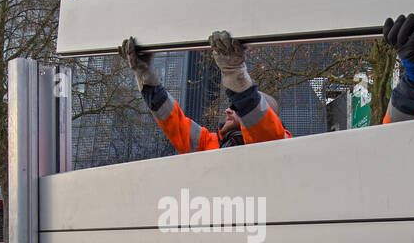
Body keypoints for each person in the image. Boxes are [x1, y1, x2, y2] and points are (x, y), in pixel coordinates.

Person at [120, 31, 291, 153]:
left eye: (239, 108)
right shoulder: (208, 143)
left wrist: (234, 73)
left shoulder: (278, 146)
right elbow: (173, 122)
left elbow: (259, 123)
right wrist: (145, 76)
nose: (229, 110)